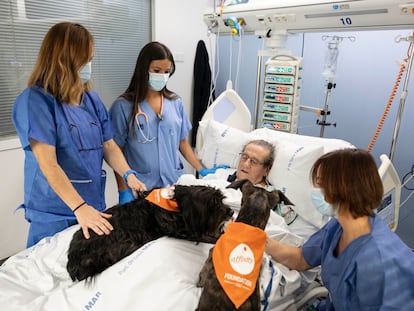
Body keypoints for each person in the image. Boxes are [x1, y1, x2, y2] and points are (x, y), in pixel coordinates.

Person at [12, 22, 147, 248]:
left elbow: (109, 145)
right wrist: (79, 207)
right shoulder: (36, 101)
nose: (88, 66)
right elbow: (49, 165)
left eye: (90, 59)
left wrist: (128, 175)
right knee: (48, 275)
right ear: (65, 60)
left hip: (91, 205)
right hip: (55, 211)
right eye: (85, 60)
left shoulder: (90, 99)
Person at [265, 148, 414, 310]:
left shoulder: (378, 262)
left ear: (343, 188)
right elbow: (301, 258)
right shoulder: (338, 227)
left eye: (320, 183)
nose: (314, 189)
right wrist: (260, 239)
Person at [109, 41, 224, 204]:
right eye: (156, 70)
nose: (162, 75)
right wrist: (123, 190)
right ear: (143, 69)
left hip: (174, 184)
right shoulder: (123, 107)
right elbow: (115, 152)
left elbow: (182, 143)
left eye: (166, 71)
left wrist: (202, 169)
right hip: (141, 188)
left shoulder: (175, 102)